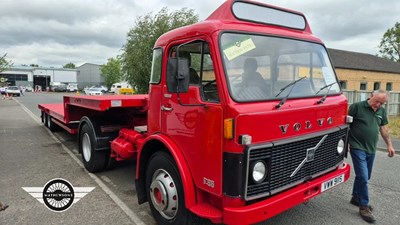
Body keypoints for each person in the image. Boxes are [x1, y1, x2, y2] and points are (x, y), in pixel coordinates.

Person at [348, 89, 396, 223]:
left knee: (365, 176)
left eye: (382, 103)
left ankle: (356, 197)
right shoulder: (356, 107)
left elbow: (383, 129)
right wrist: (345, 143)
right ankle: (363, 206)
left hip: (371, 148)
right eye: (377, 102)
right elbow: (346, 125)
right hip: (357, 146)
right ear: (371, 96)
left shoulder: (381, 111)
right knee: (363, 175)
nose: (378, 105)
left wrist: (389, 145)